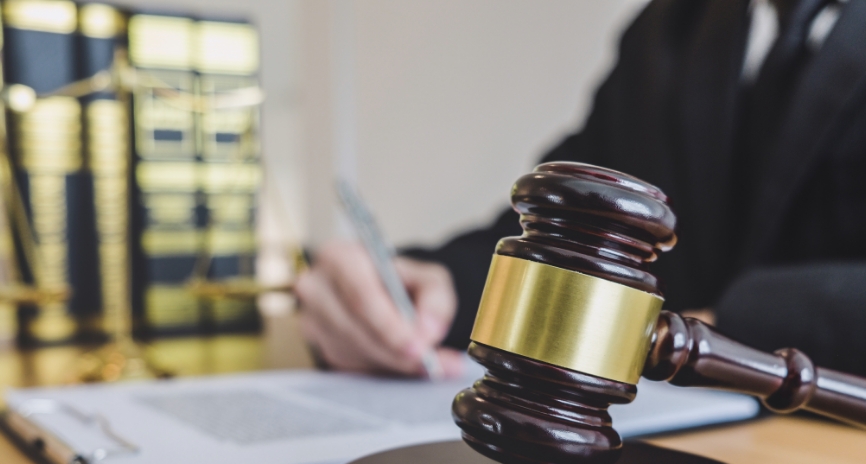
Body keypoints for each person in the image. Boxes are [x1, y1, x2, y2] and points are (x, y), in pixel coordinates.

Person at [296, 0, 866, 377]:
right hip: (664, 463)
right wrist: (423, 287)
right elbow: (569, 232)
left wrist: (733, 324)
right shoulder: (671, 27)